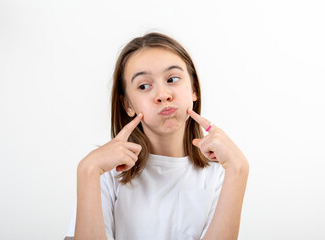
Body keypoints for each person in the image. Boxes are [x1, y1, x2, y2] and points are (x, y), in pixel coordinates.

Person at [64, 32, 250, 240]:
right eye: (144, 86)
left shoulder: (220, 174)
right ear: (128, 104)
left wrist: (239, 170)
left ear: (194, 89)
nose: (163, 95)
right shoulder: (105, 173)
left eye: (172, 79)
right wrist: (87, 170)